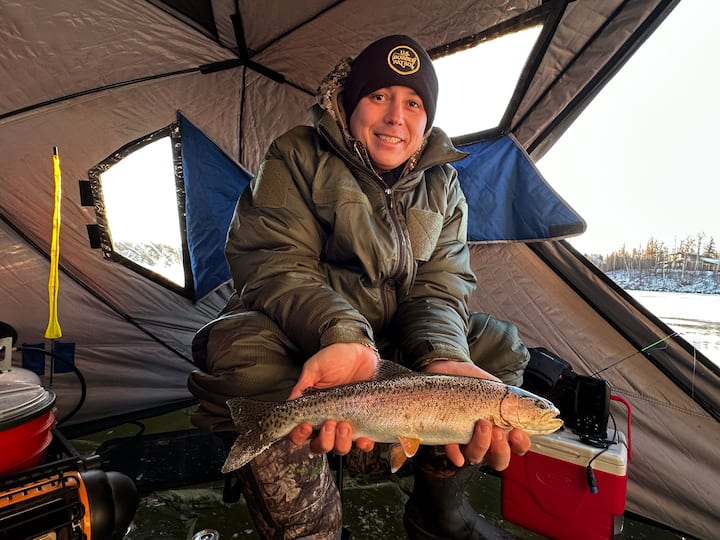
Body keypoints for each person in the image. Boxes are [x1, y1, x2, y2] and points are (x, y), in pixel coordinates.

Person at [188, 34, 531, 540]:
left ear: (427, 119)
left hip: (393, 346)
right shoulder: (296, 154)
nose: (396, 117)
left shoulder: (443, 185)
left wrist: (443, 358)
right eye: (379, 96)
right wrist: (342, 335)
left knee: (496, 348)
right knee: (243, 351)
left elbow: (440, 289)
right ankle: (309, 528)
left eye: (413, 104)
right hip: (309, 337)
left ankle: (438, 511)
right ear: (350, 104)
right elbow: (275, 263)